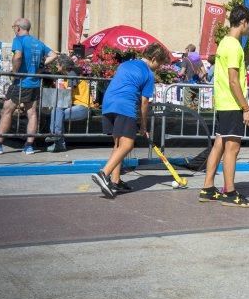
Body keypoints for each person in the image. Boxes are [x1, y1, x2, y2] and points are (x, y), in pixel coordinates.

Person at [198, 5, 249, 207]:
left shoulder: (223, 42)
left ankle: (207, 188)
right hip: (231, 104)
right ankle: (230, 192)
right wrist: (246, 108)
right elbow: (234, 81)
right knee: (233, 148)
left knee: (219, 145)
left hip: (223, 103)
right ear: (243, 22)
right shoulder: (234, 46)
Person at [90, 43, 168, 198]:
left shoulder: (126, 64)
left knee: (118, 144)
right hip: (124, 105)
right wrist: (144, 125)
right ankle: (103, 174)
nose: (159, 67)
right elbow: (144, 102)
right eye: (160, 63)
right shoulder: (148, 74)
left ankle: (115, 180)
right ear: (153, 59)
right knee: (127, 144)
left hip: (108, 104)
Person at [0, 19, 58, 155]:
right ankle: (29, 146)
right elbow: (54, 55)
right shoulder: (37, 42)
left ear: (18, 28)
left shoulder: (19, 39)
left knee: (6, 111)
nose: (14, 29)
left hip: (21, 82)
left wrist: (15, 72)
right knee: (32, 113)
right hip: (34, 82)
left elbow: (18, 56)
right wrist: (40, 67)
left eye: (14, 26)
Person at [47, 54, 94, 153]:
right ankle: (56, 138)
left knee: (57, 112)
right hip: (76, 106)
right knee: (56, 111)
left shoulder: (72, 74)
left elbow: (67, 94)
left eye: (57, 64)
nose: (56, 66)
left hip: (84, 107)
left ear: (63, 65)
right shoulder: (69, 75)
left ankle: (57, 138)